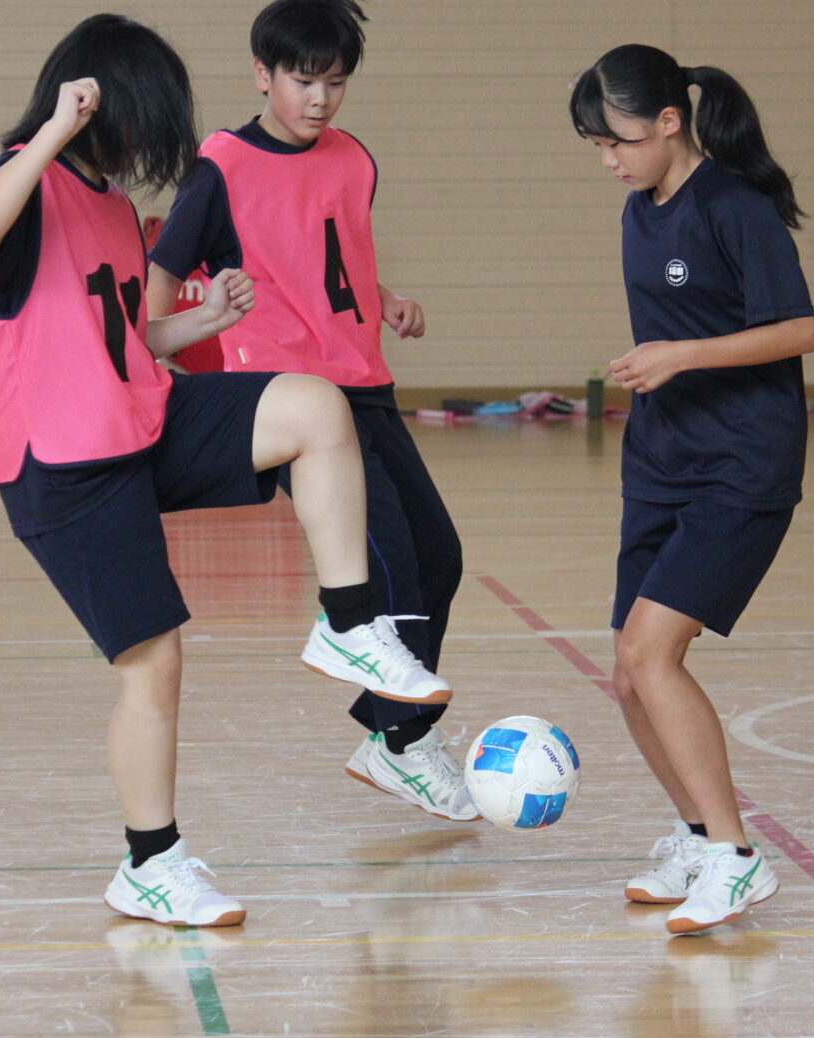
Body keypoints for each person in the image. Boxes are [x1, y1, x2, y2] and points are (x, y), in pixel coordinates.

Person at [0, 14, 454, 929]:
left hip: (138, 417)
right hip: (61, 465)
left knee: (312, 405)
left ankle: (348, 625)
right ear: (96, 105)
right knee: (155, 664)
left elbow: (126, 341)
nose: (154, 144)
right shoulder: (27, 187)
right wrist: (49, 135)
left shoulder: (106, 204)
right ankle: (151, 864)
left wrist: (201, 324)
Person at [146, 0, 475, 823]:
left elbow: (330, 256)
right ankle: (403, 744)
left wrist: (386, 300)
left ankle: (387, 734)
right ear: (263, 75)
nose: (320, 99)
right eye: (303, 80)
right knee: (389, 568)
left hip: (367, 382)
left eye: (335, 82)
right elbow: (154, 292)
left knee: (438, 556)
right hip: (296, 407)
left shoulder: (353, 158)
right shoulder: (218, 167)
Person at [571, 44, 814, 935]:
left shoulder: (734, 207)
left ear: (670, 121)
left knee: (652, 657)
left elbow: (800, 329)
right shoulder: (641, 212)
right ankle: (695, 839)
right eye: (597, 145)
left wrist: (681, 355)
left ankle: (735, 857)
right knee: (629, 679)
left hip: (742, 466)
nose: (610, 160)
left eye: (619, 141)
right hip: (661, 466)